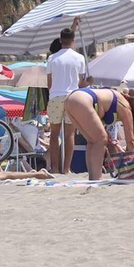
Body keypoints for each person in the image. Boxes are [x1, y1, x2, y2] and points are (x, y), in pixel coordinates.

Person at [63, 85, 134, 180]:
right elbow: (130, 140)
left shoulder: (114, 99)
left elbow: (102, 130)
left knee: (92, 140)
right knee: (101, 139)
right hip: (82, 100)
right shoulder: (126, 107)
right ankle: (97, 177)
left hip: (71, 99)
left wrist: (114, 143)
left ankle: (93, 177)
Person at [46, 23, 86, 174]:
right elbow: (80, 82)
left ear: (60, 40)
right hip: (72, 97)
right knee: (70, 135)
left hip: (56, 96)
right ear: (73, 41)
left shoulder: (52, 58)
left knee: (54, 135)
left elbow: (49, 83)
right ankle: (66, 168)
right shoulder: (79, 58)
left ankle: (55, 167)